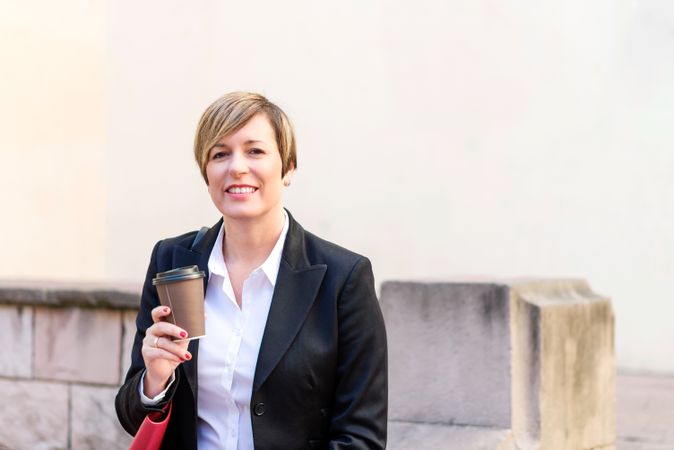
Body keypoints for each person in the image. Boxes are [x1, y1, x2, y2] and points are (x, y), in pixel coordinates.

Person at [115, 92, 388, 450]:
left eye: (255, 151)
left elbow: (361, 438)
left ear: (288, 167)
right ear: (206, 172)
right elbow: (132, 415)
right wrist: (154, 380)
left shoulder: (343, 277)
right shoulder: (173, 260)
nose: (236, 167)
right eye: (220, 154)